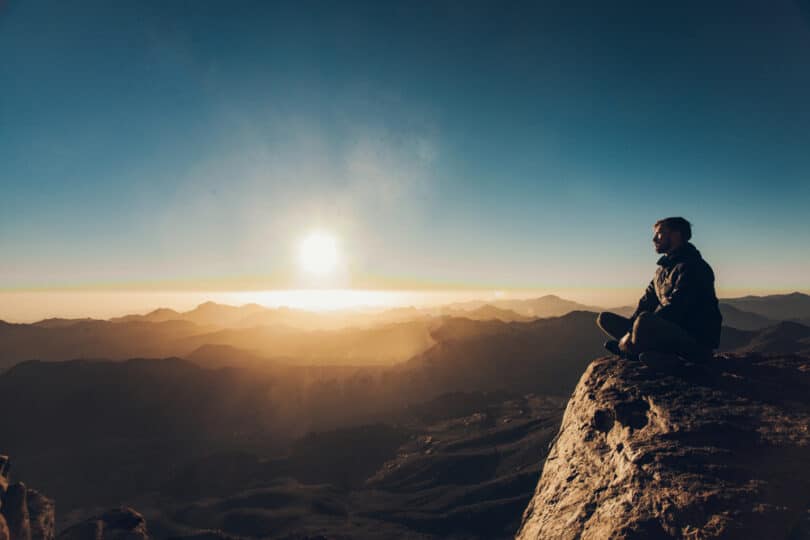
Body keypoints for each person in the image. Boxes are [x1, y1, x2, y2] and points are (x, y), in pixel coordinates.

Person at [597, 217, 722, 363]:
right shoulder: (661, 271)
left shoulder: (694, 267)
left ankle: (635, 351)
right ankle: (641, 351)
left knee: (644, 320)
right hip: (664, 331)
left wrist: (632, 333)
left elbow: (676, 309)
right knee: (605, 318)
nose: (654, 239)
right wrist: (632, 328)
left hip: (693, 338)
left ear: (676, 235)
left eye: (659, 234)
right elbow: (646, 303)